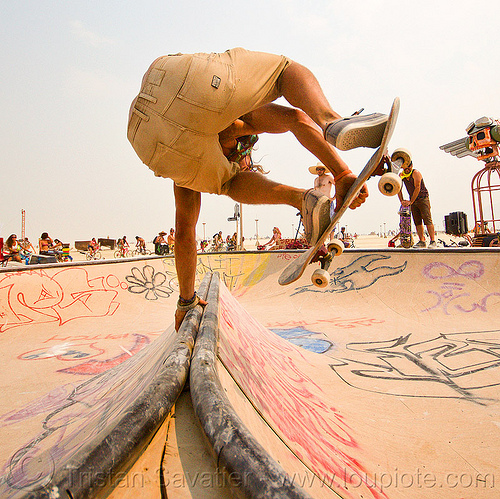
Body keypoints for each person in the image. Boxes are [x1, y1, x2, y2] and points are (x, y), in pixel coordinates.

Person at [128, 48, 389, 330]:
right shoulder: (238, 123)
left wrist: (186, 301)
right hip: (184, 84)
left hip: (147, 136)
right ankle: (331, 120)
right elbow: (297, 119)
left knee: (227, 182)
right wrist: (343, 172)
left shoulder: (191, 175)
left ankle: (303, 200)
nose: (243, 167)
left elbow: (185, 235)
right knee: (282, 73)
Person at [395, 148, 436, 248]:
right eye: (405, 168)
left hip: (422, 198)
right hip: (413, 201)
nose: (407, 169)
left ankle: (433, 241)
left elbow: (417, 188)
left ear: (411, 165)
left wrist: (411, 201)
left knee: (427, 219)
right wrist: (402, 201)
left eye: (408, 167)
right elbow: (398, 188)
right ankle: (422, 240)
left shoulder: (416, 173)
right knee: (417, 221)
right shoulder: (402, 175)